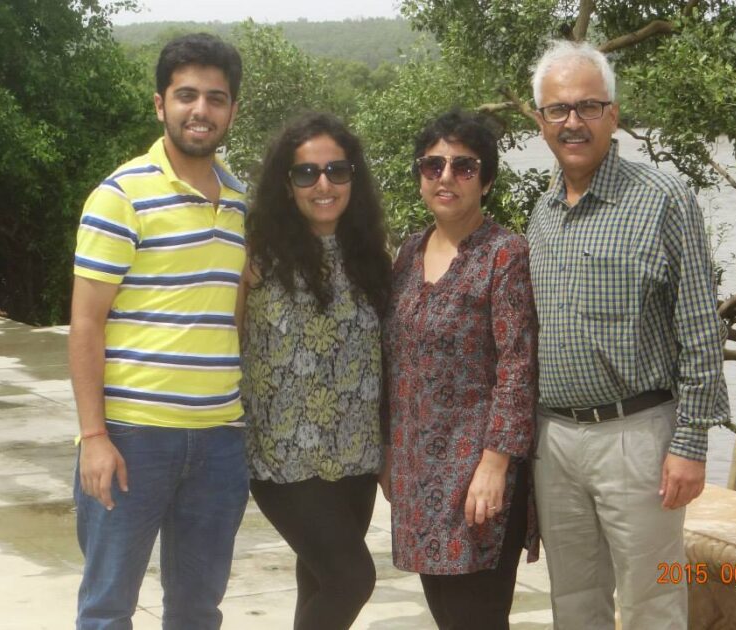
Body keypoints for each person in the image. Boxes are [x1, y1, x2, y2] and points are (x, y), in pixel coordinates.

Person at [527, 40, 730, 629]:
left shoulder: (663, 197)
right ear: (540, 122)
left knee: (651, 603)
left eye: (588, 106)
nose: (573, 121)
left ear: (614, 114)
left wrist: (690, 443)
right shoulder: (541, 214)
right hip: (555, 439)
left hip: (637, 437)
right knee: (574, 603)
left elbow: (698, 325)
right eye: (558, 109)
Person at [69, 33, 248, 629]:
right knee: (107, 608)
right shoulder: (120, 196)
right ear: (160, 104)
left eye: (216, 98)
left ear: (232, 111)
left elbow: (236, 313)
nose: (201, 110)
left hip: (220, 442)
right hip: (132, 440)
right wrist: (93, 436)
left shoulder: (243, 202)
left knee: (198, 610)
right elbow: (86, 324)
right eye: (187, 96)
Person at [381, 109, 538, 630]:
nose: (446, 177)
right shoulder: (408, 252)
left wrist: (496, 463)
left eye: (464, 166)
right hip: (415, 474)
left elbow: (517, 365)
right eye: (433, 165)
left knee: (478, 618)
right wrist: (388, 454)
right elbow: (394, 360)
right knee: (447, 617)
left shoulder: (504, 255)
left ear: (486, 180)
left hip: (477, 476)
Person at [239, 112, 391, 630]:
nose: (323, 184)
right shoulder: (256, 257)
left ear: (354, 177)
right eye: (307, 173)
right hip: (283, 460)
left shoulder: (373, 256)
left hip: (356, 456)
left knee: (321, 583)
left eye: (336, 171)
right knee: (353, 578)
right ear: (287, 183)